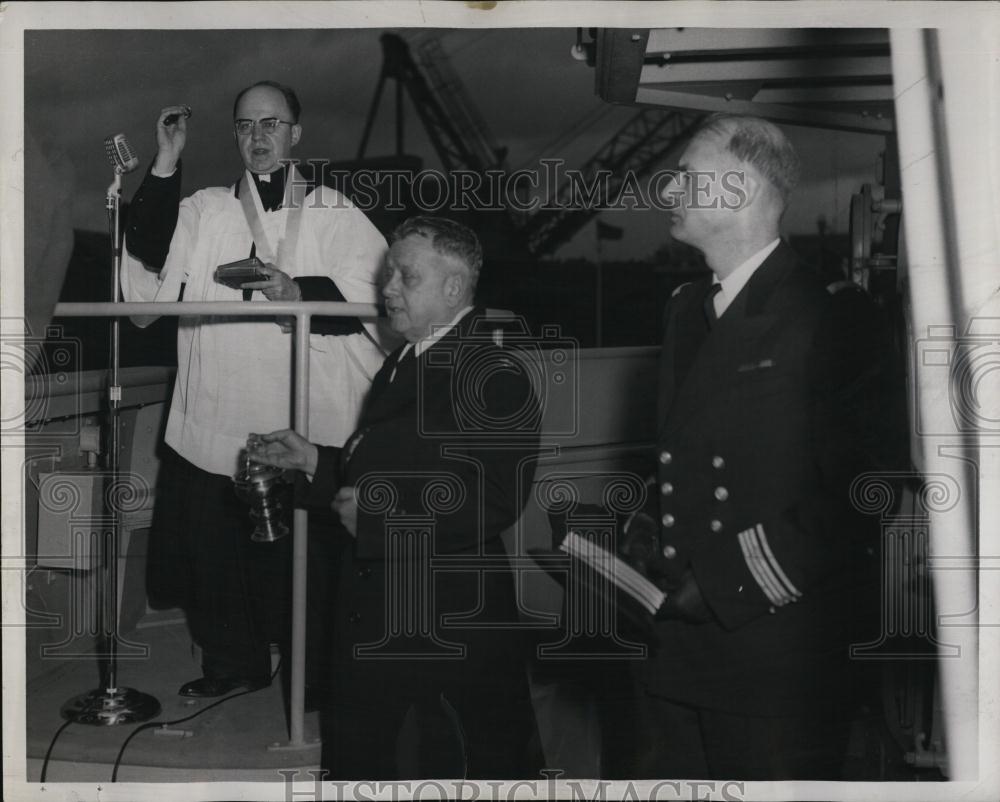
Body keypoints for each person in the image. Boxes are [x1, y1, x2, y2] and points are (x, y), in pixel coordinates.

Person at [626, 113, 897, 779]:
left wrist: (722, 584)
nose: (669, 191)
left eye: (686, 176)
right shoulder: (687, 309)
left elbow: (864, 493)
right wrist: (635, 542)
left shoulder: (834, 317)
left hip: (776, 660)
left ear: (741, 190)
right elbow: (682, 461)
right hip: (680, 653)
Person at [121, 81, 390, 698]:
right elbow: (150, 252)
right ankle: (232, 665)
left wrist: (297, 291)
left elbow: (381, 300)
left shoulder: (334, 210)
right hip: (221, 409)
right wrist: (165, 163)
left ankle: (315, 678)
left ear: (295, 134)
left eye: (271, 124)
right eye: (245, 125)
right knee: (215, 552)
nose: (258, 137)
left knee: (309, 561)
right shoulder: (207, 207)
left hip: (304, 410)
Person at [249, 216, 540, 779]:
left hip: (444, 633)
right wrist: (311, 460)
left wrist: (383, 517)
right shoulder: (409, 359)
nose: (387, 289)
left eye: (406, 277)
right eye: (389, 275)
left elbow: (496, 497)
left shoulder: (493, 371)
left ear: (453, 289)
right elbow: (384, 470)